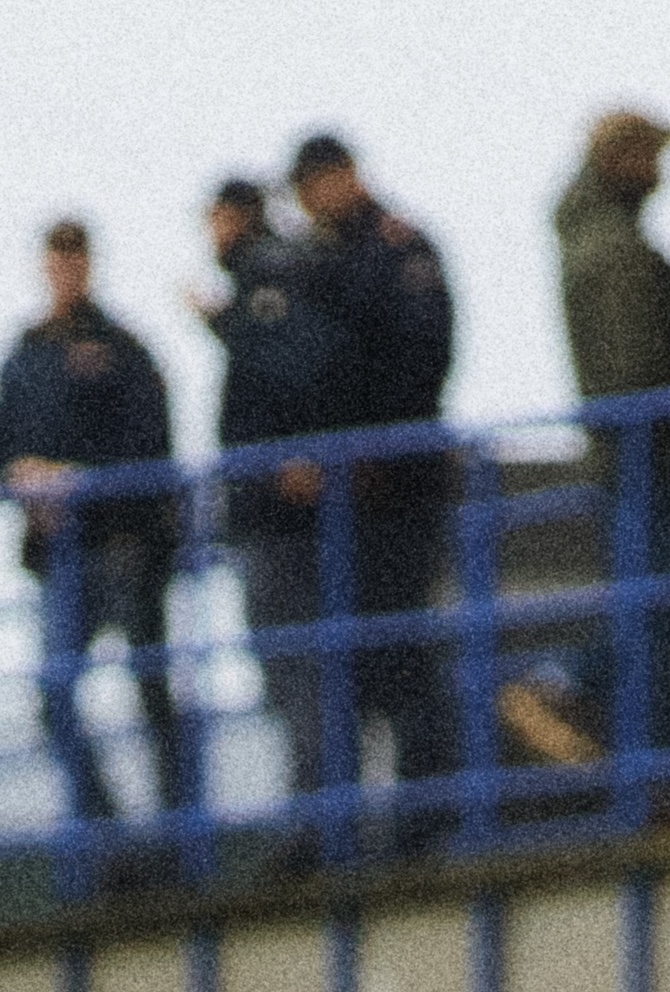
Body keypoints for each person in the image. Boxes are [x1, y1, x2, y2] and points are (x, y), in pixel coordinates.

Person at [511, 108, 670, 797]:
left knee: (665, 608)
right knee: (669, 609)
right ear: (621, 157)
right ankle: (647, 762)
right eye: (650, 153)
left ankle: (652, 763)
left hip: (643, 456)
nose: (659, 170)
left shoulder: (599, 238)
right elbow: (634, 367)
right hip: (655, 457)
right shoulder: (615, 249)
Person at [0, 220, 192, 846]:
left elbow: (151, 443)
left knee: (150, 688)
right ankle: (112, 843)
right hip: (59, 555)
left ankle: (174, 839)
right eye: (57, 261)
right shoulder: (24, 354)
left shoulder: (125, 349)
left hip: (125, 544)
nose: (66, 272)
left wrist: (80, 479)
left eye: (75, 260)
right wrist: (23, 478)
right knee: (54, 701)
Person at [281, 135, 462, 823]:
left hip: (397, 486)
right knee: (355, 662)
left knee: (400, 651)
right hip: (344, 496)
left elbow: (419, 360)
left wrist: (372, 455)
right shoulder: (322, 258)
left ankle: (426, 812)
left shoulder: (395, 249)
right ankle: (373, 816)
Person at [197, 176, 343, 834]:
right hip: (269, 504)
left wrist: (293, 455)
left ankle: (315, 817)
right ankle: (316, 810)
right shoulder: (274, 279)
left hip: (279, 512)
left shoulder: (268, 284)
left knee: (292, 664)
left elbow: (298, 368)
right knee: (295, 663)